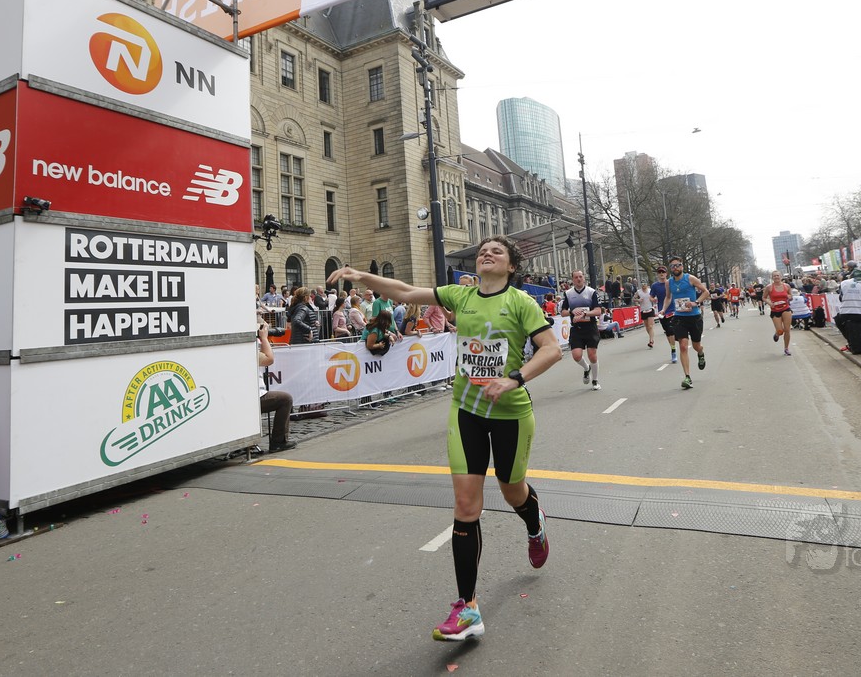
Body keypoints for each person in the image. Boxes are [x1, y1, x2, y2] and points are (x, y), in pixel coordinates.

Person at [329, 236, 562, 642]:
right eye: (483, 250)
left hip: (510, 413)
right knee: (466, 504)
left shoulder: (521, 302)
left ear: (511, 266)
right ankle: (468, 608)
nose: (487, 253)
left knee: (512, 491)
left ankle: (533, 522)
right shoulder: (460, 295)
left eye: (497, 251)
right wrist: (362, 275)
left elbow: (552, 349)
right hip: (466, 410)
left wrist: (514, 378)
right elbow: (404, 292)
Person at [666, 258, 709, 389]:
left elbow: (706, 292)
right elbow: (668, 297)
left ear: (682, 266)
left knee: (696, 346)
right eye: (672, 266)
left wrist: (696, 302)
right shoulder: (669, 282)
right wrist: (662, 309)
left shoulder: (690, 278)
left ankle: (700, 353)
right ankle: (687, 377)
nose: (675, 268)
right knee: (683, 346)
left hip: (694, 317)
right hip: (679, 317)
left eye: (677, 265)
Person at [255, 318, 297, 451]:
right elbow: (269, 359)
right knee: (286, 399)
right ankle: (278, 441)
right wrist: (264, 338)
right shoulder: (248, 349)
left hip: (249, 395)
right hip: (255, 397)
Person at [562, 270, 603, 390]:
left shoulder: (591, 292)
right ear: (572, 280)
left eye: (580, 277)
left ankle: (595, 380)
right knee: (576, 355)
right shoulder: (568, 293)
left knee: (592, 355)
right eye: (576, 277)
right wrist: (571, 311)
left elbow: (598, 311)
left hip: (590, 328)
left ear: (584, 278)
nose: (578, 279)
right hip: (576, 329)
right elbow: (563, 312)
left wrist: (584, 314)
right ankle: (586, 368)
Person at [834, 268, 861, 352]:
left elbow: (840, 297)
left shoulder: (843, 283)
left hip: (847, 313)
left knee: (838, 320)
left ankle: (850, 342)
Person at [651, 267, 678, 363]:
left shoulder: (671, 282)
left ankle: (674, 350)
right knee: (668, 332)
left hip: (672, 309)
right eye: (659, 272)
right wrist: (653, 299)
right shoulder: (655, 286)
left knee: (671, 330)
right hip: (662, 312)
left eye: (663, 272)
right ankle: (673, 348)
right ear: (657, 274)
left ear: (666, 273)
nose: (661, 274)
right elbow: (651, 296)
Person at [766, 270, 793, 355]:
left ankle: (786, 348)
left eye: (778, 275)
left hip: (786, 308)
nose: (776, 277)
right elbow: (764, 297)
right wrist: (770, 303)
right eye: (774, 276)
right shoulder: (769, 287)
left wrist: (789, 297)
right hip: (775, 310)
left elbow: (791, 296)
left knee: (787, 330)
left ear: (780, 276)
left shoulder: (787, 286)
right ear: (772, 277)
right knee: (780, 331)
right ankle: (777, 334)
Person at [634, 280, 657, 348]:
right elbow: (634, 299)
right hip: (643, 310)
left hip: (650, 309)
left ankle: (651, 340)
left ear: (647, 285)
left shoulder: (650, 291)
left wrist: (654, 300)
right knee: (647, 327)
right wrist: (638, 300)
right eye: (642, 284)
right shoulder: (639, 292)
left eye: (644, 284)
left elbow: (654, 297)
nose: (643, 285)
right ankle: (651, 337)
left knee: (650, 326)